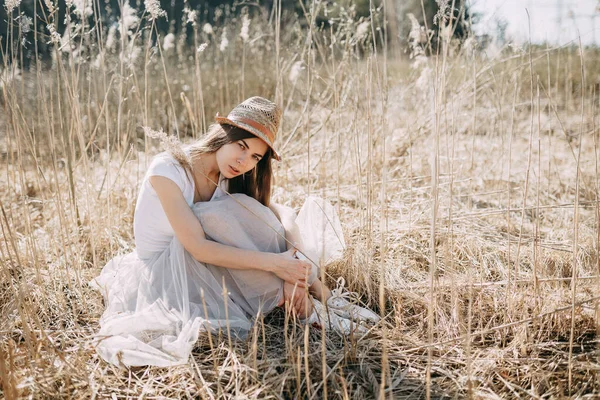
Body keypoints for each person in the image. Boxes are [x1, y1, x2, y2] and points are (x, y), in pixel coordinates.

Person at [91, 97, 380, 367]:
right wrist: (279, 264)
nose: (244, 161)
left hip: (211, 262)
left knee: (249, 212)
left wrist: (294, 257)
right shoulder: (167, 169)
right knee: (216, 217)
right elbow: (198, 248)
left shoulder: (228, 175)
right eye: (241, 146)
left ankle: (322, 296)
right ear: (223, 133)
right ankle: (306, 309)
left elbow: (283, 215)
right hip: (170, 271)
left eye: (255, 156)